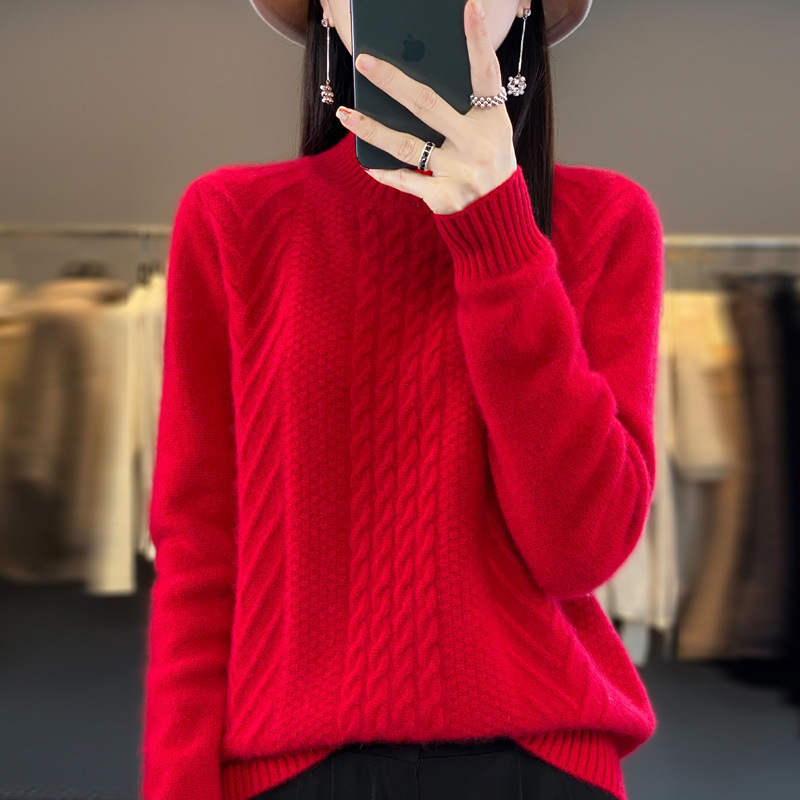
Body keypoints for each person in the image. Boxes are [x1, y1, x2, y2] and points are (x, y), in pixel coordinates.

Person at [140, 1, 665, 799]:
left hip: (540, 764)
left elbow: (579, 551)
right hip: (290, 769)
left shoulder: (606, 220)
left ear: (524, 8)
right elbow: (200, 543)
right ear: (326, 10)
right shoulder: (234, 219)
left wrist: (499, 237)